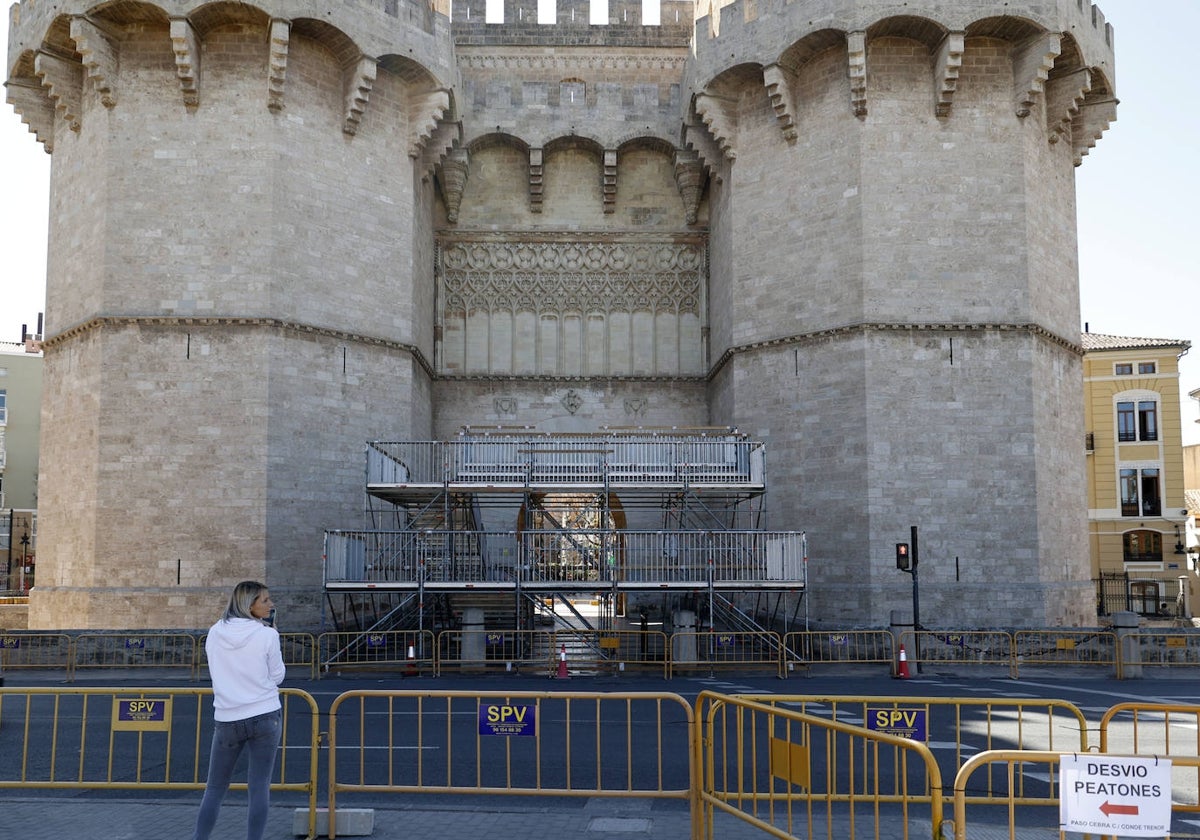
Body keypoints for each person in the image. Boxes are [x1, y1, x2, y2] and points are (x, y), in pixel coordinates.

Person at [192, 581, 285, 840]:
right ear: (249, 604)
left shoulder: (214, 632)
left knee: (214, 788)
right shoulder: (267, 635)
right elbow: (278, 676)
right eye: (265, 600)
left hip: (228, 717)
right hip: (265, 714)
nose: (271, 604)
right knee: (259, 787)